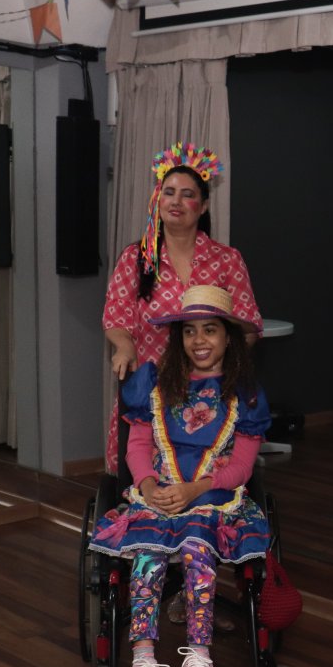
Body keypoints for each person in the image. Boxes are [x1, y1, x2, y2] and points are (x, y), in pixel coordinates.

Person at [89, 285, 272, 667]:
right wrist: (149, 486)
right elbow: (137, 445)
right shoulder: (154, 384)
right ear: (179, 338)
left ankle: (198, 655)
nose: (199, 340)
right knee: (149, 553)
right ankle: (142, 663)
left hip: (212, 497)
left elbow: (243, 467)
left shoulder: (245, 394)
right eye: (189, 331)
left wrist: (196, 489)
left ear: (228, 337)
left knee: (197, 547)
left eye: (210, 330)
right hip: (158, 494)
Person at [103, 141, 263, 475]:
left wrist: (220, 364)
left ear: (203, 206)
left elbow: (247, 326)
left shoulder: (227, 260)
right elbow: (117, 317)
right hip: (152, 390)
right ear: (157, 199)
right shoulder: (136, 259)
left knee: (206, 472)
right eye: (169, 192)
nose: (176, 201)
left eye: (187, 194)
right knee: (146, 471)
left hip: (211, 392)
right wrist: (124, 346)